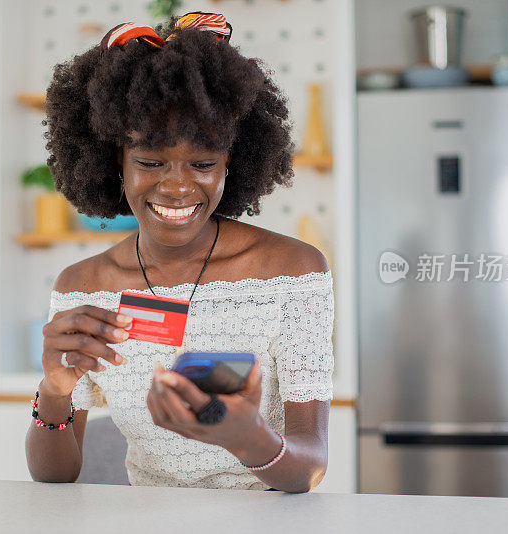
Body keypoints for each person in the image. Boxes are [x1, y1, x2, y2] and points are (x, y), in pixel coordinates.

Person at [25, 12, 334, 493]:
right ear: (115, 162)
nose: (177, 186)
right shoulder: (82, 286)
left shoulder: (292, 270)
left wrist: (249, 438)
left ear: (231, 162)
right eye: (150, 161)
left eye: (203, 163)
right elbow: (55, 473)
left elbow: (310, 468)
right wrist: (54, 390)